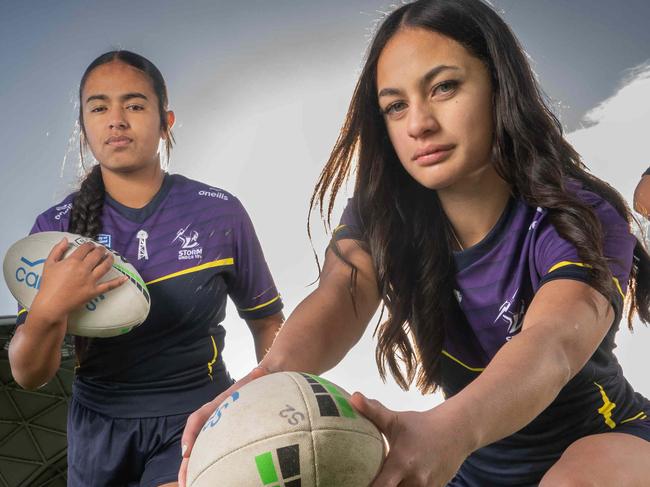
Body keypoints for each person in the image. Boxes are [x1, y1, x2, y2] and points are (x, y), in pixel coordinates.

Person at [180, 1, 650, 486]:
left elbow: (552, 344)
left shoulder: (580, 211)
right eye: (395, 105)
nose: (418, 123)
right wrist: (268, 379)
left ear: (498, 85)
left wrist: (450, 432)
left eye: (444, 87)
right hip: (470, 463)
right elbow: (339, 295)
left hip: (606, 439)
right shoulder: (383, 212)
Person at [8, 50, 284, 487]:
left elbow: (267, 321)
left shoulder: (219, 213)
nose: (116, 120)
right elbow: (28, 374)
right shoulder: (55, 229)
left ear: (165, 122)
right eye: (99, 108)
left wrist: (276, 400)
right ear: (84, 127)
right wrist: (48, 309)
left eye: (134, 105)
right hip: (97, 429)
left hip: (197, 416)